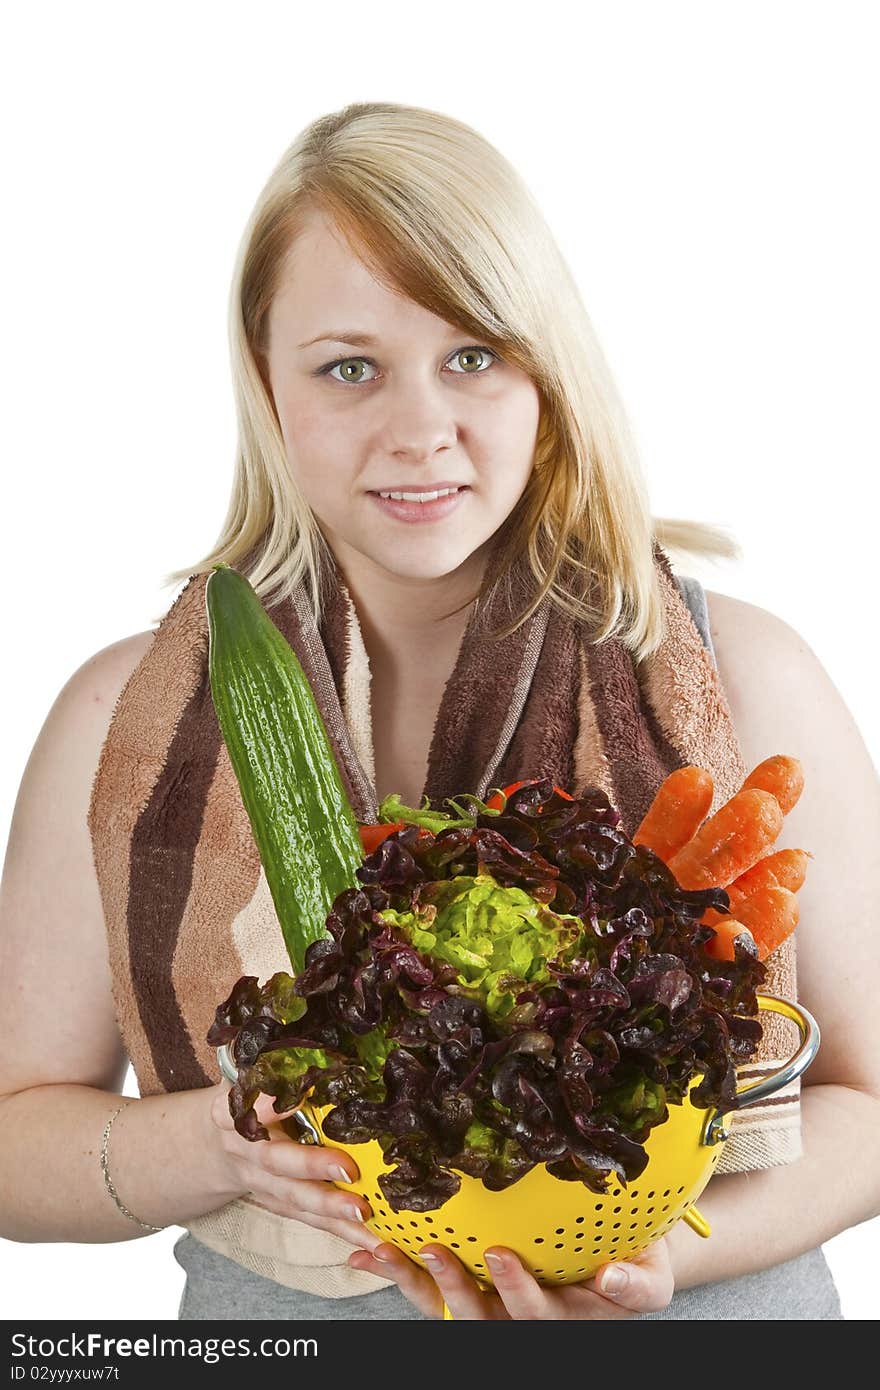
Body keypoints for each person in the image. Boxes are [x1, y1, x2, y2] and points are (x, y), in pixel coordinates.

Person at [1, 101, 876, 1323]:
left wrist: (666, 1256)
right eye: (347, 367)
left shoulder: (747, 677)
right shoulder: (124, 717)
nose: (420, 431)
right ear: (266, 384)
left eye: (472, 355)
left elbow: (870, 1102)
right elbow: (15, 1136)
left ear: (544, 373)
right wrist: (219, 1144)